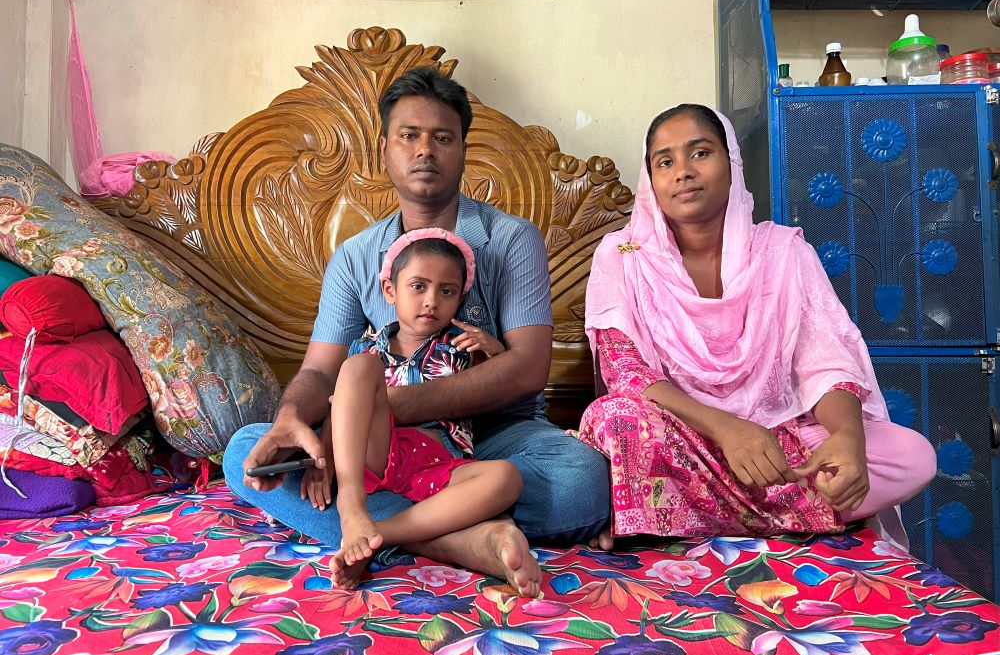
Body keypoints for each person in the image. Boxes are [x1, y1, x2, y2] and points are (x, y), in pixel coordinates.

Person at [222, 66, 609, 595]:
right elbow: (319, 368)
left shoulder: (512, 239)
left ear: (463, 150)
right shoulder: (355, 257)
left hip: (496, 436)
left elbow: (527, 369)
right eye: (409, 135)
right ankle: (468, 540)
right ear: (385, 148)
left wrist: (373, 412)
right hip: (387, 449)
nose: (425, 150)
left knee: (583, 480)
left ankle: (384, 529)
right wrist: (293, 419)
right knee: (245, 451)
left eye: (442, 137)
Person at [579, 104, 936, 548]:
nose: (683, 172)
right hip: (684, 435)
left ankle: (675, 515)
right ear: (650, 179)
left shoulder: (783, 251)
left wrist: (846, 437)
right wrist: (728, 431)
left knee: (911, 456)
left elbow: (824, 360)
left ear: (732, 164)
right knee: (613, 420)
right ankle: (792, 512)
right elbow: (626, 373)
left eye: (701, 153)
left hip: (777, 438)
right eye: (665, 161)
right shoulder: (622, 255)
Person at [303, 228, 534, 594]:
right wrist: (324, 458)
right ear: (390, 291)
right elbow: (340, 407)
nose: (432, 300)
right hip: (378, 453)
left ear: (460, 299)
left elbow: (507, 391)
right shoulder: (367, 346)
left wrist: (495, 352)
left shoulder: (462, 348)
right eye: (418, 287)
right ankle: (351, 503)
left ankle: (376, 534)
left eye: (447, 291)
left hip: (438, 465)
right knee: (358, 369)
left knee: (507, 477)